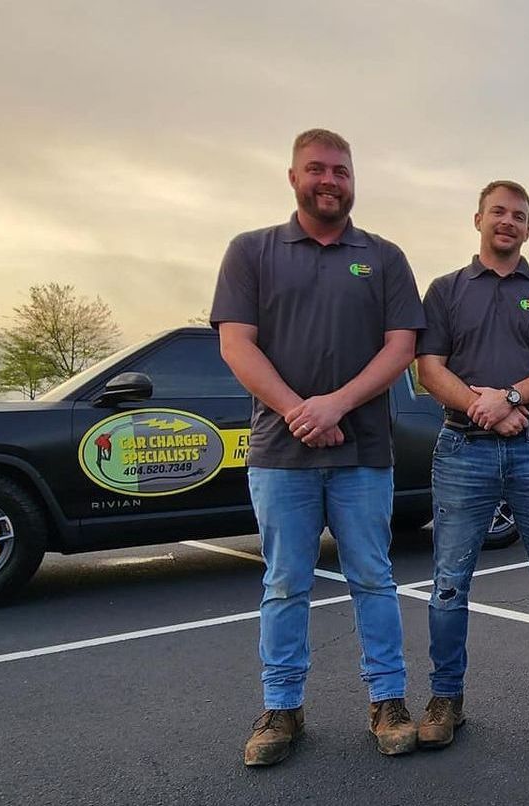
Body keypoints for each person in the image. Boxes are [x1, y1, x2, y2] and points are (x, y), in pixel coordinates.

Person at [211, 128, 426, 765]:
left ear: (353, 179)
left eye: (341, 171)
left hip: (362, 454)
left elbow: (401, 347)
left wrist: (336, 405)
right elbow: (236, 343)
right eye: (317, 169)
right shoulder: (251, 252)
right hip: (283, 455)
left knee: (374, 578)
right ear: (293, 176)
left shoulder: (384, 257)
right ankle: (281, 709)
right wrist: (299, 411)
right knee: (283, 584)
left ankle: (387, 701)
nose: (329, 180)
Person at [415, 179, 529, 747]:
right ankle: (446, 697)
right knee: (449, 583)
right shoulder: (445, 291)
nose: (508, 222)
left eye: (519, 215)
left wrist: (510, 397)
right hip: (462, 451)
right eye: (499, 211)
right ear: (477, 219)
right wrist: (481, 406)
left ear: (528, 227)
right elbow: (428, 368)